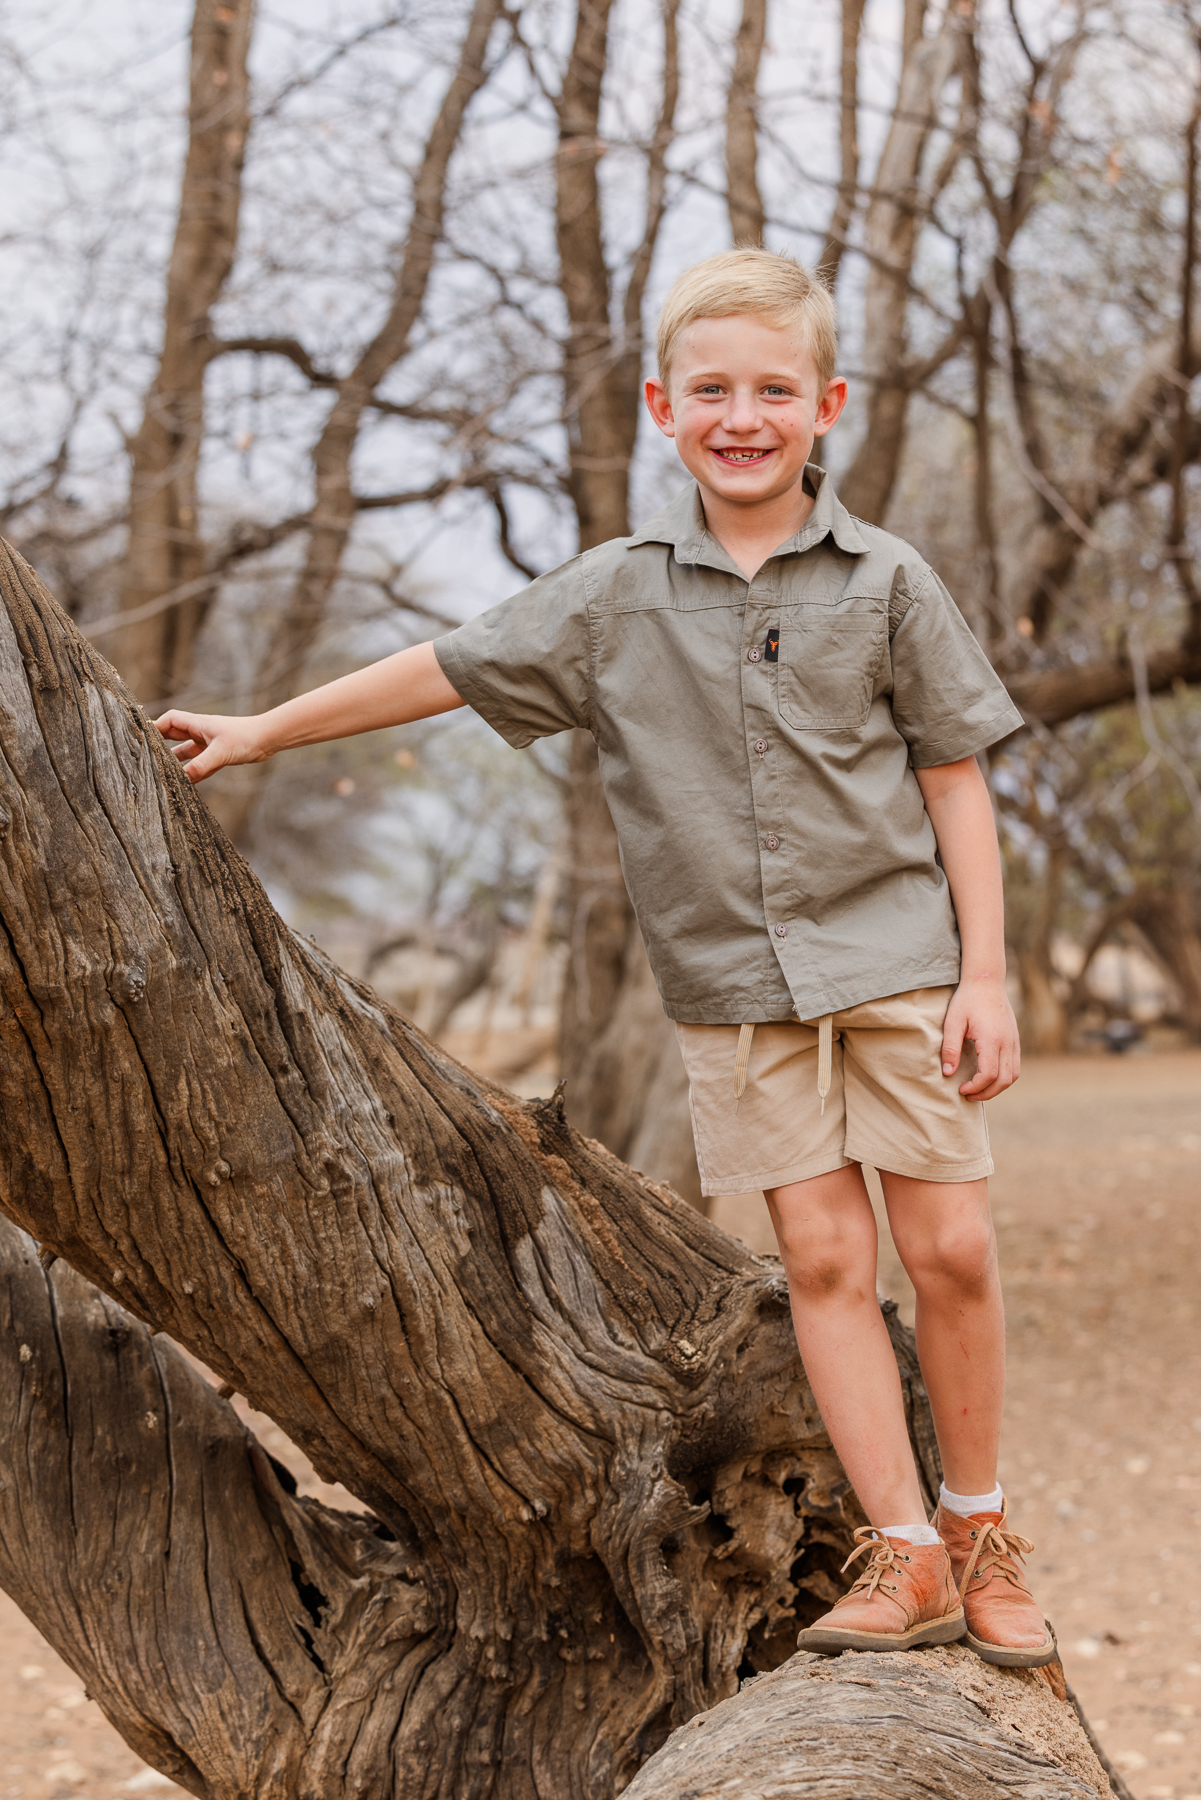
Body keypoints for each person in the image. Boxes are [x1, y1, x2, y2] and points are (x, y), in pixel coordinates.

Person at [154, 249, 1052, 1667]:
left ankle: (985, 1525)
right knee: (820, 1260)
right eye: (710, 390)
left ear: (824, 405)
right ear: (660, 406)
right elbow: (442, 667)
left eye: (771, 390)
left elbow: (953, 780)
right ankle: (906, 1556)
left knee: (945, 1247)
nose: (739, 415)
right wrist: (263, 729)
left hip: (896, 966)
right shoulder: (613, 596)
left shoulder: (886, 580)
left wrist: (986, 975)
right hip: (734, 989)